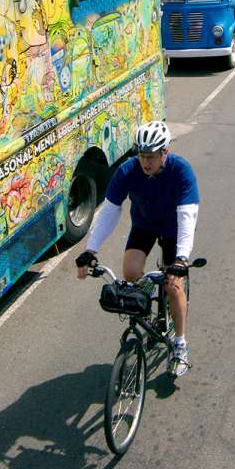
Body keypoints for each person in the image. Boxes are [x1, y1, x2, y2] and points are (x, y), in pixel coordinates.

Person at [75, 121, 200, 377]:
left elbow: (188, 217)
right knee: (131, 273)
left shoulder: (181, 171)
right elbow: (110, 211)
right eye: (142, 156)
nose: (146, 162)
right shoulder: (128, 171)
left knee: (173, 286)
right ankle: (151, 303)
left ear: (165, 152)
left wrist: (181, 259)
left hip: (174, 230)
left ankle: (180, 344)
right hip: (144, 225)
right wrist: (91, 250)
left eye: (152, 157)